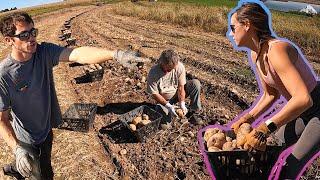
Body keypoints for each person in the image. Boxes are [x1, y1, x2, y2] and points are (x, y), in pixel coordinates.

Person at [0, 12, 147, 179]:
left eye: (33, 32)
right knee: (43, 174)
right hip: (27, 139)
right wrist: (17, 149)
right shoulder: (4, 75)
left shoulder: (43, 52)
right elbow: (2, 119)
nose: (32, 38)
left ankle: (14, 168)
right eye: (24, 35)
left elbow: (77, 54)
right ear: (9, 40)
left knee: (42, 159)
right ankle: (19, 165)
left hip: (46, 129)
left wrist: (115, 54)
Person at [228, 2, 320, 179]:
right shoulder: (256, 54)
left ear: (247, 25)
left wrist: (266, 127)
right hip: (302, 112)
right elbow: (271, 94)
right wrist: (248, 118)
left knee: (290, 166)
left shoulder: (276, 50)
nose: (230, 33)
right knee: (269, 150)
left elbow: (303, 98)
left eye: (233, 27)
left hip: (317, 107)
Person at [147, 49, 202, 128]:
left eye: (173, 68)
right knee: (165, 126)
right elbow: (154, 94)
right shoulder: (153, 72)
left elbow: (180, 87)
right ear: (161, 63)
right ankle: (167, 110)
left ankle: (194, 112)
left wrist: (182, 103)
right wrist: (168, 106)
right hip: (163, 100)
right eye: (169, 69)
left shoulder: (179, 67)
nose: (171, 70)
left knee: (195, 83)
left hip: (176, 94)